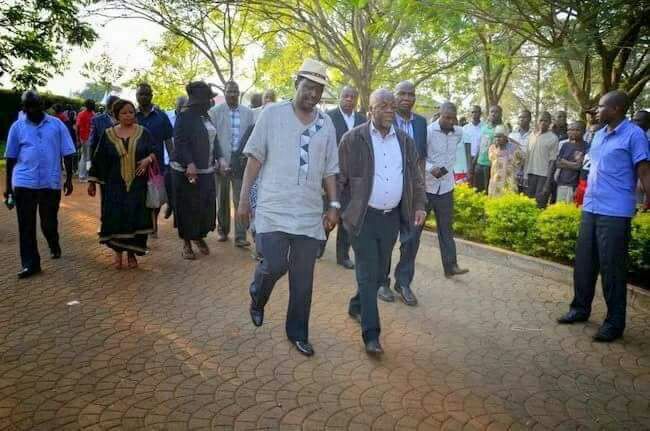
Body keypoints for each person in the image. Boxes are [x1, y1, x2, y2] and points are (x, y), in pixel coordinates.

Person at [236, 59, 339, 357]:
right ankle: (258, 294)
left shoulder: (326, 124)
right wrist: (243, 201)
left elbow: (331, 170)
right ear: (296, 84)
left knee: (303, 279)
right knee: (275, 264)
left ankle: (298, 333)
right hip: (272, 208)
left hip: (308, 215)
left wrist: (333, 205)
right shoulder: (272, 114)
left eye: (318, 90)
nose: (313, 95)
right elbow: (254, 159)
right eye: (308, 87)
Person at [338, 88, 427, 354]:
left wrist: (419, 204)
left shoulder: (404, 141)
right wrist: (344, 211)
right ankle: (371, 334)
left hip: (391, 219)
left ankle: (356, 305)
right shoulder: (353, 139)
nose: (390, 109)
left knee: (378, 274)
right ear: (371, 111)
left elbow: (415, 177)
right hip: (364, 218)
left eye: (392, 105)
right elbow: (339, 178)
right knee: (367, 275)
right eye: (383, 105)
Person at [557, 90, 650, 342]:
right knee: (584, 263)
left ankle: (614, 323)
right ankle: (579, 309)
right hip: (591, 207)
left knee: (612, 269)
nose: (596, 110)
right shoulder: (597, 136)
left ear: (617, 109)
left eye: (601, 106)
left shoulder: (635, 135)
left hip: (615, 211)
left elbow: (644, 170)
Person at [4, 91, 75, 279]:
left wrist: (68, 178)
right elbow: (10, 158)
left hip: (49, 183)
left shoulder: (57, 125)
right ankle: (30, 263)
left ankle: (53, 242)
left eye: (34, 105)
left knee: (48, 222)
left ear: (42, 104)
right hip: (24, 182)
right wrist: (7, 188)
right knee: (26, 225)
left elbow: (68, 152)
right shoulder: (17, 127)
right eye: (26, 106)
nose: (30, 110)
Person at [88, 99, 157, 269]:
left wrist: (148, 160)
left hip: (137, 186)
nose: (128, 115)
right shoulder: (108, 134)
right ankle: (118, 253)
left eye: (131, 112)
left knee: (135, 218)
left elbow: (155, 152)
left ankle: (132, 254)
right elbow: (99, 159)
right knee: (116, 219)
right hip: (114, 186)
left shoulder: (143, 132)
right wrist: (92, 181)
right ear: (116, 115)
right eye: (124, 113)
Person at [378, 80, 427, 303]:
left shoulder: (421, 124)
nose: (407, 98)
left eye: (411, 94)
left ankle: (404, 282)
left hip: (411, 194)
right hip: (388, 189)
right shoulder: (384, 120)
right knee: (386, 240)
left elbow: (421, 161)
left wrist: (420, 195)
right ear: (394, 96)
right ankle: (382, 282)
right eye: (402, 93)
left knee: (411, 241)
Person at [171, 82, 227, 260]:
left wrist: (221, 158)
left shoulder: (206, 117)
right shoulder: (184, 117)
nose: (210, 102)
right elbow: (180, 142)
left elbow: (214, 140)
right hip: (187, 172)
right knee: (188, 208)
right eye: (207, 99)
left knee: (205, 207)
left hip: (206, 170)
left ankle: (198, 236)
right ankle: (186, 243)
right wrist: (189, 163)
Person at [322, 85, 366, 269]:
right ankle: (318, 246)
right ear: (339, 97)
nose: (349, 99)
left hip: (353, 178)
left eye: (352, 96)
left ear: (356, 100)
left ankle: (343, 255)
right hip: (332, 175)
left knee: (347, 217)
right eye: (345, 96)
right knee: (328, 211)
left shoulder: (363, 119)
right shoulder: (329, 117)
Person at [423, 103, 469, 278]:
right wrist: (430, 168)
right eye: (446, 117)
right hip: (427, 188)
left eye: (453, 118)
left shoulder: (458, 133)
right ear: (439, 115)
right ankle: (406, 265)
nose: (450, 121)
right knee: (415, 230)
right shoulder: (428, 131)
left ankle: (451, 266)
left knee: (446, 229)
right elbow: (420, 156)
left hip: (446, 188)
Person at [209, 81, 255, 247]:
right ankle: (223, 231)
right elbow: (212, 139)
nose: (233, 94)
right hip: (221, 162)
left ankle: (241, 236)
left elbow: (252, 137)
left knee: (240, 199)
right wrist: (217, 160)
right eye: (230, 91)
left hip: (241, 164)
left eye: (236, 91)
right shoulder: (214, 112)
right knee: (222, 199)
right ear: (225, 92)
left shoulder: (248, 113)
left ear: (239, 93)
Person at [135, 83, 174, 236]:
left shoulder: (161, 116)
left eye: (146, 94)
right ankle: (143, 225)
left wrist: (173, 160)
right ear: (136, 96)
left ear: (151, 96)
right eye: (140, 94)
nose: (143, 97)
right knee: (139, 196)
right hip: (135, 164)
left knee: (156, 195)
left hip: (157, 165)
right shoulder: (132, 115)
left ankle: (153, 223)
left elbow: (168, 140)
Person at [524, 111, 559, 207]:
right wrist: (525, 174)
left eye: (546, 121)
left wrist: (548, 182)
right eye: (541, 120)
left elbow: (553, 161)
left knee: (540, 203)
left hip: (543, 176)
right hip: (530, 174)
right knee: (528, 203)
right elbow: (527, 156)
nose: (543, 123)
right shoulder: (531, 135)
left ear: (550, 122)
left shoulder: (553, 138)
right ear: (537, 121)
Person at [164, 95, 189, 219]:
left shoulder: (189, 118)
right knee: (168, 186)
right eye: (179, 106)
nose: (181, 109)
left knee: (181, 191)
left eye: (183, 107)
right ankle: (170, 203)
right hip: (168, 159)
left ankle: (178, 215)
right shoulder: (167, 117)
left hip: (184, 160)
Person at [550, 121, 587, 203]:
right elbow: (558, 163)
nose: (574, 132)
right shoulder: (565, 145)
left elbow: (580, 166)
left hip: (574, 185)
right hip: (561, 182)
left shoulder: (586, 147)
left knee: (571, 210)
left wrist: (564, 161)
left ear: (584, 131)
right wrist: (574, 164)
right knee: (559, 209)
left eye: (577, 130)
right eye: (572, 130)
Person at [488, 125, 525, 197]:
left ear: (506, 137)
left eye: (500, 136)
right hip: (495, 183)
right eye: (496, 136)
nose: (497, 139)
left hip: (509, 184)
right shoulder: (492, 149)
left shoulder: (514, 149)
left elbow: (522, 160)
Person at [475, 105, 503, 192]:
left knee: (488, 191)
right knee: (478, 191)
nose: (494, 114)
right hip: (480, 163)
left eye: (496, 112)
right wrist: (474, 163)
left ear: (501, 114)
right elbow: (480, 146)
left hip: (491, 165)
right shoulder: (484, 127)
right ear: (489, 114)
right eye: (492, 112)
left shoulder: (502, 129)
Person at [508, 109, 532, 192]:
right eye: (520, 117)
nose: (521, 119)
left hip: (527, 170)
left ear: (530, 119)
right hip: (513, 171)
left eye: (524, 117)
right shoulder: (511, 135)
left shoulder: (534, 135)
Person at [462, 105, 483, 187]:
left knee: (478, 183)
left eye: (477, 112)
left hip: (480, 159)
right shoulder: (465, 128)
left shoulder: (484, 127)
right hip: (467, 159)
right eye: (473, 112)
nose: (474, 114)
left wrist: (475, 159)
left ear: (480, 113)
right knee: (468, 182)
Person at [75, 99, 96, 182]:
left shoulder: (82, 114)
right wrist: (78, 139)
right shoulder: (92, 115)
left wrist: (78, 139)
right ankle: (83, 175)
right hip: (86, 138)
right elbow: (77, 127)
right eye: (93, 104)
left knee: (86, 157)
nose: (94, 106)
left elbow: (77, 127)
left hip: (86, 138)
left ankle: (85, 175)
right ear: (89, 105)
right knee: (86, 157)